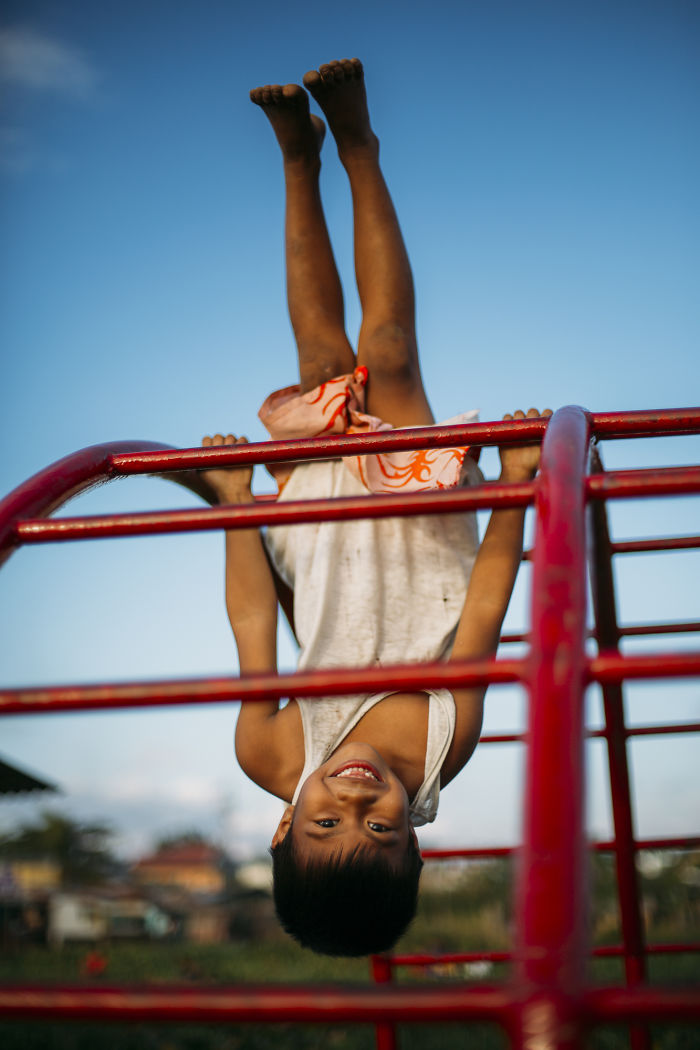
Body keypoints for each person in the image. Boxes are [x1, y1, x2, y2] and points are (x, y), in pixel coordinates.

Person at [202, 59, 550, 956]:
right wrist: (514, 489)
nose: (354, 803)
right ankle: (358, 147)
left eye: (325, 828)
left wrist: (237, 506)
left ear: (281, 828)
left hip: (321, 538)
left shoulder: (270, 758)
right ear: (418, 843)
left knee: (321, 352)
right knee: (387, 350)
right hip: (417, 529)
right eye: (381, 831)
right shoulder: (442, 746)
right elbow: (484, 613)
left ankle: (295, 163)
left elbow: (252, 623)